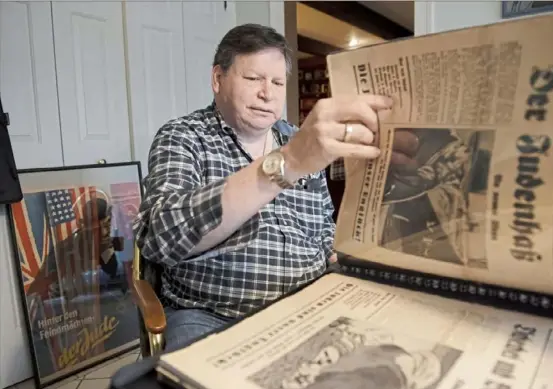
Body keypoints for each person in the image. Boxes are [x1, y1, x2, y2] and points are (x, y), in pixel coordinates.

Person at [133, 23, 419, 353]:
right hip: (213, 315)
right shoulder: (183, 137)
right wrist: (289, 162)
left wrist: (340, 252)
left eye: (278, 82)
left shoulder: (297, 137)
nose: (267, 93)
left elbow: (323, 226)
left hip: (309, 304)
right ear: (218, 79)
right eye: (253, 79)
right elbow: (163, 237)